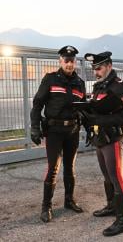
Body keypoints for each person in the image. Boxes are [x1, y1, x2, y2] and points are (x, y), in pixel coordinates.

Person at [30, 45, 86, 223]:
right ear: (60, 61)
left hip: (72, 131)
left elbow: (84, 110)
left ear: (75, 62)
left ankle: (69, 201)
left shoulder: (80, 83)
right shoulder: (50, 79)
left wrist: (90, 127)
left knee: (70, 168)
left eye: (72, 61)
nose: (69, 64)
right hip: (54, 131)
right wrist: (35, 127)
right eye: (66, 60)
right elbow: (37, 104)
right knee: (53, 168)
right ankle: (46, 207)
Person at [82, 51, 123, 236]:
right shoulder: (99, 86)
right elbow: (98, 110)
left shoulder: (120, 87)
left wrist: (98, 120)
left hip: (112, 139)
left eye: (99, 67)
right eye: (94, 68)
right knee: (107, 175)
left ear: (109, 66)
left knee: (117, 177)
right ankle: (112, 206)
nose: (96, 71)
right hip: (99, 138)